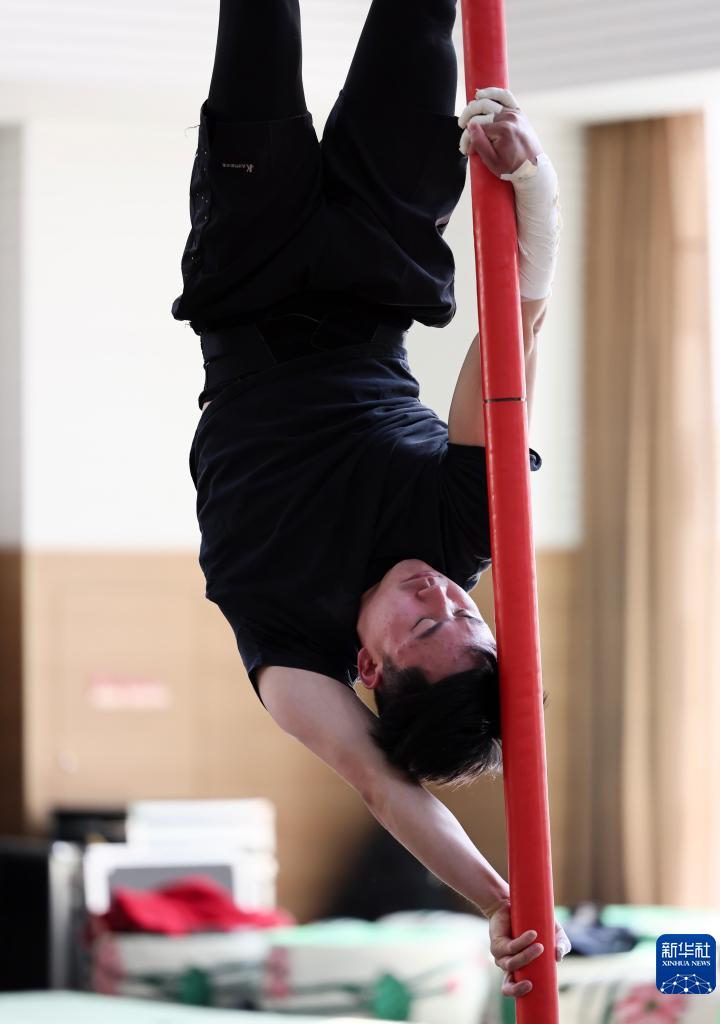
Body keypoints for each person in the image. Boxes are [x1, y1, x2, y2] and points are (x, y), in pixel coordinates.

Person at [173, 0, 569, 998]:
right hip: (381, 263)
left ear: (366, 667)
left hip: (250, 267)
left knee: (258, 21)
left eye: (422, 624)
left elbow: (383, 786)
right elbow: (509, 349)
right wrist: (536, 207)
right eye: (465, 613)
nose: (441, 592)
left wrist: (497, 898)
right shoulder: (468, 535)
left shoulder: (290, 649)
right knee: (418, 20)